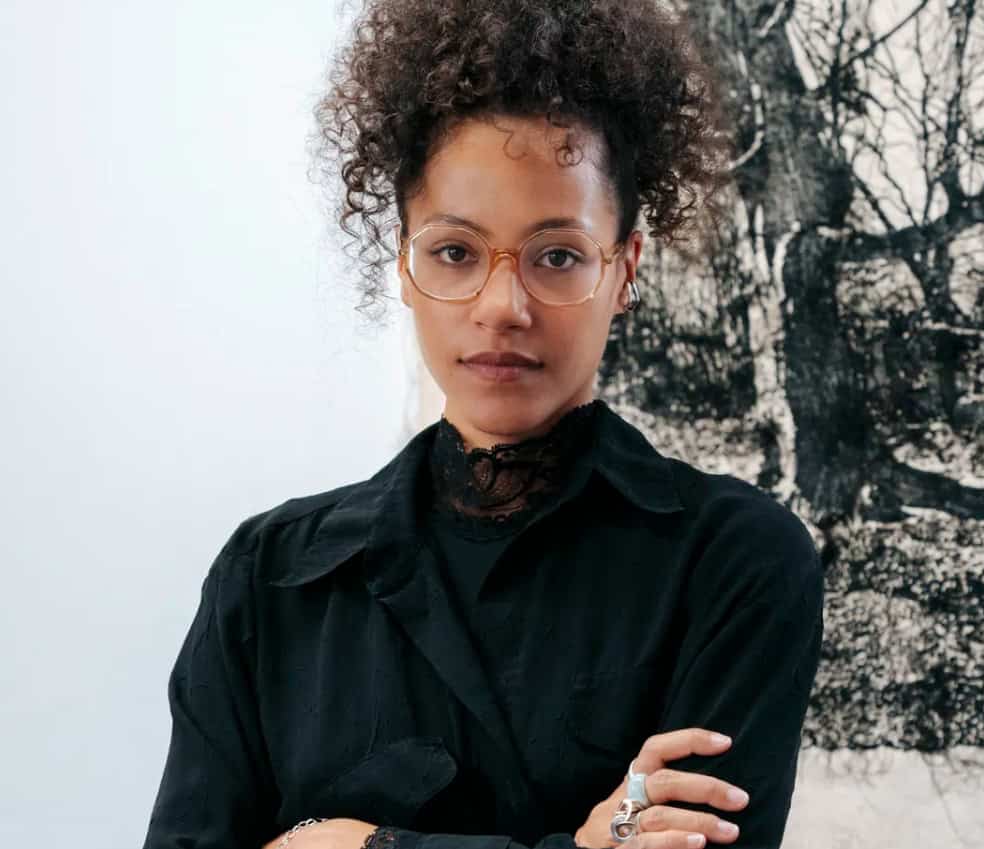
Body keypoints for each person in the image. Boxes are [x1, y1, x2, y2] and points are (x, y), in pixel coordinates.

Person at [140, 1, 825, 848]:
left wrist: (366, 844)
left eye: (557, 256)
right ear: (403, 263)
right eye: (455, 252)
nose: (501, 306)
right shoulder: (267, 574)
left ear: (625, 269)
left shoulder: (737, 559)